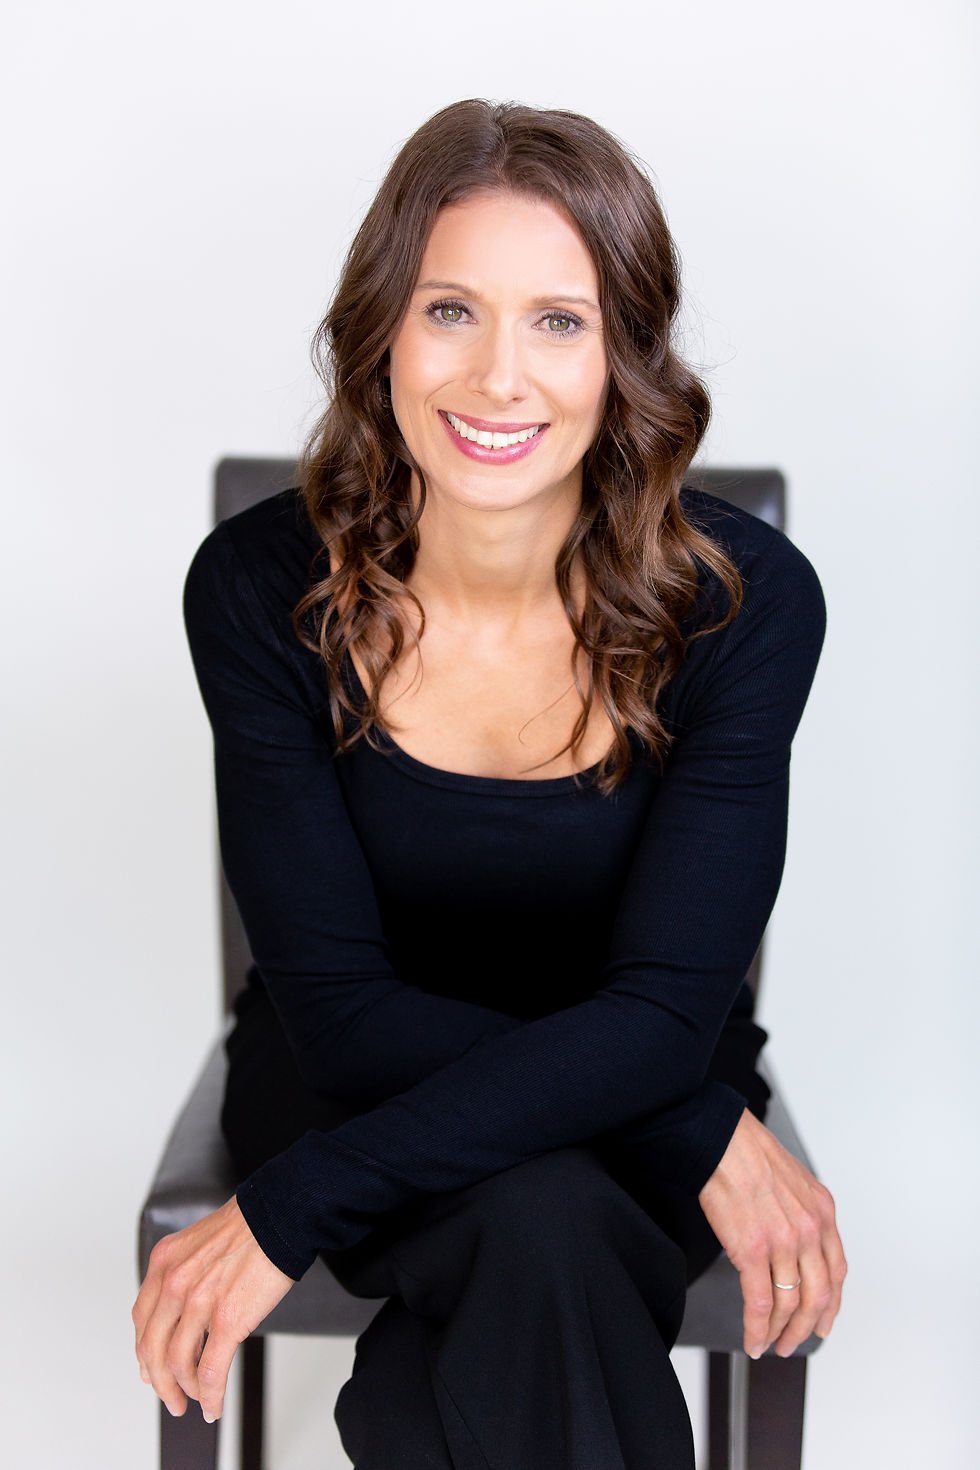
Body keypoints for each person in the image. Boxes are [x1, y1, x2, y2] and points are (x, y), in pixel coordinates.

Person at [133, 99, 846, 1468]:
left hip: (640, 1068)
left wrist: (296, 1209)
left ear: (624, 351)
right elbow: (338, 1014)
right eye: (451, 311)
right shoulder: (259, 588)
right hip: (364, 1079)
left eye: (558, 321)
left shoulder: (745, 610)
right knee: (548, 1221)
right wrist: (698, 1121)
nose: (498, 378)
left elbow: (661, 1007)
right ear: (383, 332)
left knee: (541, 1222)